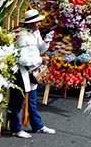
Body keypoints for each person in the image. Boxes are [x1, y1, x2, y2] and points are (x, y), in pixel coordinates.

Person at [8, 9, 56, 138]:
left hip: (32, 73)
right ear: (30, 23)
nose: (40, 23)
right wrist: (40, 60)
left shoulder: (35, 33)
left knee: (32, 102)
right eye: (37, 22)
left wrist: (47, 40)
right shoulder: (22, 37)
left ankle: (38, 126)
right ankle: (16, 129)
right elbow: (21, 59)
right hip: (22, 73)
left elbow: (41, 48)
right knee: (16, 102)